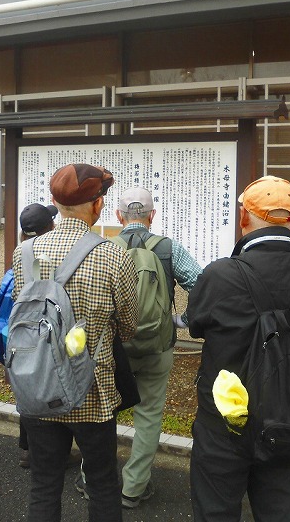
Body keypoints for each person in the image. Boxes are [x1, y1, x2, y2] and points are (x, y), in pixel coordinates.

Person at [187, 175, 290, 522]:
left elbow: (196, 325)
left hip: (224, 422)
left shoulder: (220, 274)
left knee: (215, 512)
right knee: (279, 512)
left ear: (243, 217)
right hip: (288, 418)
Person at [11, 163, 138, 522]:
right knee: (102, 483)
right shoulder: (113, 254)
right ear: (98, 204)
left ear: (54, 202)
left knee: (44, 484)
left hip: (38, 384)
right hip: (92, 390)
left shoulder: (24, 253)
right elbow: (129, 326)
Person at [110, 187, 202, 508]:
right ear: (152, 215)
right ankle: (133, 488)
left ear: (118, 216)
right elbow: (203, 284)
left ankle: (93, 479)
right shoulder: (168, 249)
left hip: (114, 350)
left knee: (103, 412)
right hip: (157, 346)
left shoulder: (105, 248)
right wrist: (182, 320)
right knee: (148, 415)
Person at [0, 202, 59, 468]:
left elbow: (1, 317)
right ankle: (41, 453)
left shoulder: (15, 268)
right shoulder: (49, 265)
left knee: (27, 392)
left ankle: (29, 449)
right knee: (47, 391)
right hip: (42, 342)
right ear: (51, 228)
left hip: (15, 344)